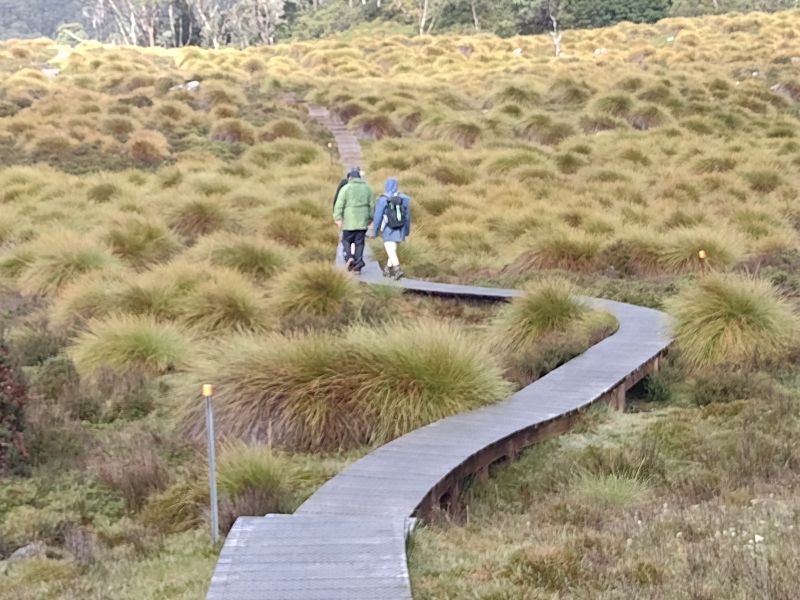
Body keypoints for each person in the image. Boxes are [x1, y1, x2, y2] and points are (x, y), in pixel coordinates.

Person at [334, 167, 374, 274]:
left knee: (346, 240)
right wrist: (370, 218)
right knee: (359, 243)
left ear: (350, 177)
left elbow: (339, 204)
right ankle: (358, 265)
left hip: (349, 221)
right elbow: (372, 205)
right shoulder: (367, 188)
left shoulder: (346, 188)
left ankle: (349, 257)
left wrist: (337, 217)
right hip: (362, 221)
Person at [372, 177, 411, 280]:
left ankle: (397, 270)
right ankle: (387, 269)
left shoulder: (383, 199)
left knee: (390, 249)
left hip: (388, 228)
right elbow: (407, 216)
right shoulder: (404, 199)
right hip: (400, 228)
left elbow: (378, 216)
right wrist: (406, 230)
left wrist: (375, 231)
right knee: (392, 249)